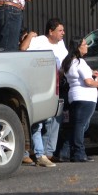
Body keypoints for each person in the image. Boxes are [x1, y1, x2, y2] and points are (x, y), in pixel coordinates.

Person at [20, 18, 68, 167]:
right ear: (50, 31)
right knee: (38, 122)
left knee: (52, 120)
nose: (63, 33)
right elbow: (23, 50)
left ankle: (45, 152)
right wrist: (28, 37)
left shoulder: (61, 44)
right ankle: (36, 154)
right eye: (60, 30)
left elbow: (65, 62)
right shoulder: (39, 41)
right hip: (38, 85)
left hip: (55, 86)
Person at [62, 36, 98, 162]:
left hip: (74, 96)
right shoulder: (81, 62)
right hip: (86, 97)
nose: (87, 46)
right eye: (84, 44)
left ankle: (65, 152)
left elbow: (79, 76)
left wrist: (91, 72)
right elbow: (88, 82)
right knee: (81, 126)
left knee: (77, 126)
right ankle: (79, 153)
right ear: (78, 48)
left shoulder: (68, 62)